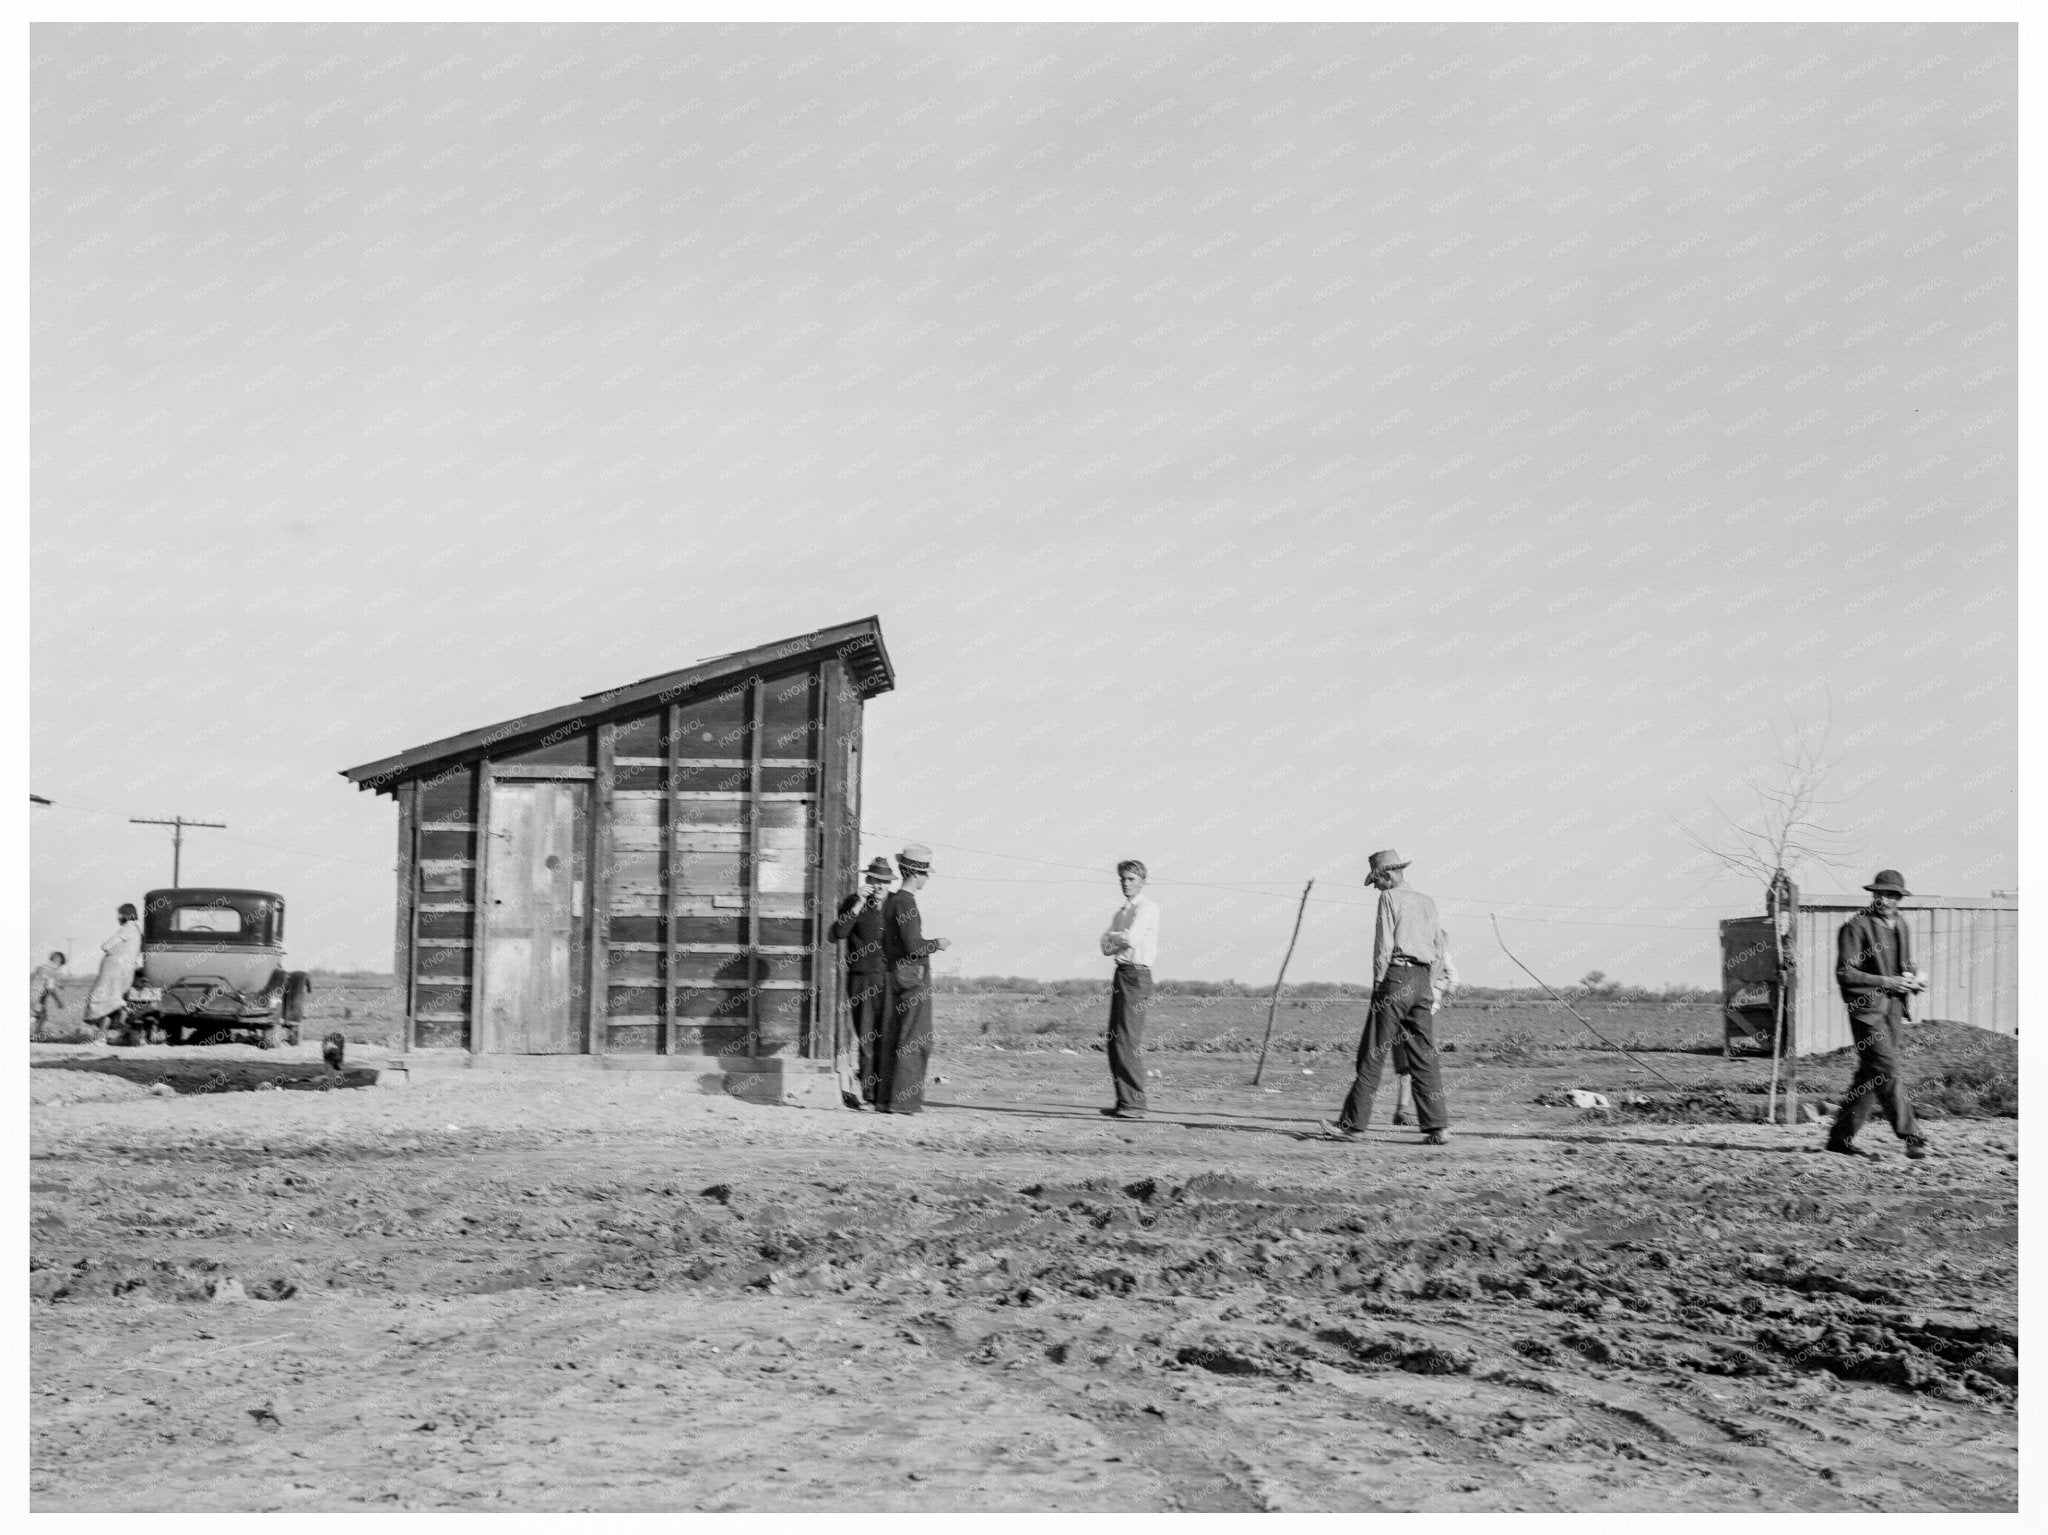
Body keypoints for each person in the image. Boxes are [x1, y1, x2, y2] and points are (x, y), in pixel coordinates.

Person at [1324, 850, 1450, 1145]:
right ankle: (1438, 1127)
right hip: (1422, 981)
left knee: (1372, 1053)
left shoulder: (1389, 899)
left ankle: (1353, 1126)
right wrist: (1427, 985)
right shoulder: (1427, 902)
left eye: (1376, 881)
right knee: (1424, 1057)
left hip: (1395, 977)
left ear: (1386, 875)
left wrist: (1380, 983)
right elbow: (1439, 950)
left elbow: (1384, 946)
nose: (1376, 888)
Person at [1827, 869, 1931, 1160]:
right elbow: (1845, 973)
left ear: (1900, 898)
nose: (1883, 899)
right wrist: (1888, 982)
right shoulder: (1855, 927)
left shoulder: (1902, 926)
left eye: (1890, 894)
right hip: (1867, 1013)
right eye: (1879, 893)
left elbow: (1905, 965)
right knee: (1887, 1070)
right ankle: (1912, 1135)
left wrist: (1915, 979)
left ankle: (1840, 1137)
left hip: (1895, 1009)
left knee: (1871, 1075)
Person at [875, 844, 948, 1115]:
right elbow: (914, 946)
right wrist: (936, 944)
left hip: (895, 974)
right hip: (912, 977)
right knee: (915, 1040)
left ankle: (885, 1099)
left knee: (895, 1035)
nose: (927, 878)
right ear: (917, 874)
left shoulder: (892, 901)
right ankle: (904, 1101)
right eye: (926, 873)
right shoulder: (907, 903)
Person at [827, 856, 895, 1108]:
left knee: (887, 1037)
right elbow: (839, 933)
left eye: (884, 882)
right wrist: (857, 903)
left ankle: (886, 1092)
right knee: (867, 1037)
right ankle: (870, 1093)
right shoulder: (853, 903)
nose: (879, 886)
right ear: (867, 880)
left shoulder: (894, 906)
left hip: (888, 979)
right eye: (876, 880)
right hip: (861, 979)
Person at [1098, 859, 1161, 1120]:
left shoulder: (1148, 908)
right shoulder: (1121, 912)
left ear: (1142, 881)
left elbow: (1131, 939)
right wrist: (1117, 938)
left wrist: (1116, 937)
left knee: (1127, 1039)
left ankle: (1135, 1104)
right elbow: (1104, 947)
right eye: (1123, 879)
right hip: (1122, 973)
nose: (1126, 883)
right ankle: (1125, 1101)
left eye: (1132, 879)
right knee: (1115, 1039)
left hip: (1137, 975)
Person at [1393, 927, 1456, 1126]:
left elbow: (1453, 980)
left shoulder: (1439, 957)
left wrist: (1437, 991)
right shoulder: (1420, 956)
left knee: (1417, 1061)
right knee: (1407, 1062)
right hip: (1409, 1007)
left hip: (1422, 1010)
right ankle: (1406, 1111)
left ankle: (1419, 1114)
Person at [83, 905, 142, 1044]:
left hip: (114, 972)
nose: (118, 918)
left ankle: (103, 1035)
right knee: (110, 1003)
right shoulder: (137, 930)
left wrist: (107, 947)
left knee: (103, 1002)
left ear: (125, 915)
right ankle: (107, 1034)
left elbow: (107, 946)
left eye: (120, 915)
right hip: (124, 971)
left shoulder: (128, 928)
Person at [31, 951, 67, 1036]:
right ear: (57, 960)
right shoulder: (52, 971)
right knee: (41, 1016)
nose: (59, 967)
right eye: (60, 964)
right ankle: (33, 1035)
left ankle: (32, 1034)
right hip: (38, 998)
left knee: (35, 1015)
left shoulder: (40, 967)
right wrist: (58, 1001)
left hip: (31, 994)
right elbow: (50, 988)